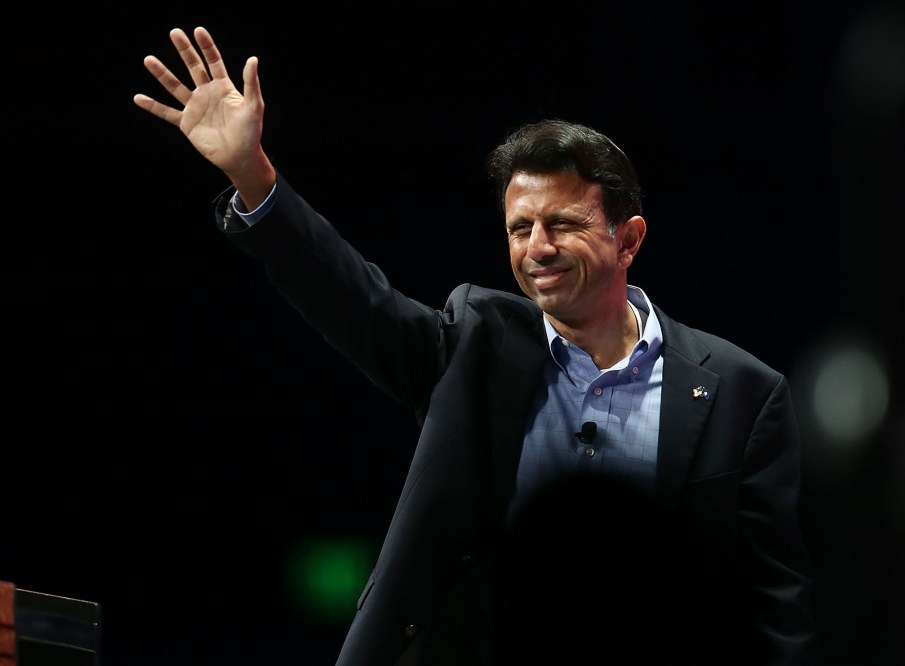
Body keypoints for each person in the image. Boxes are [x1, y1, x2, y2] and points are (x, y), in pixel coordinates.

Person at [134, 26, 821, 665]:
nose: (537, 248)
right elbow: (349, 297)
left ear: (629, 239)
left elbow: (775, 610)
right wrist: (253, 175)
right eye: (520, 228)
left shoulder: (741, 392)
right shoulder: (477, 345)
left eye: (562, 223)